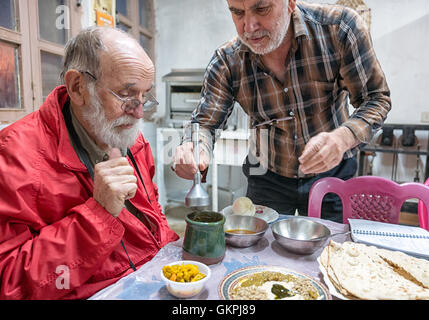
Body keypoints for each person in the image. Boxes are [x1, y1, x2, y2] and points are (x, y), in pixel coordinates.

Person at [0, 26, 178, 300]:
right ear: (77, 87)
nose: (139, 112)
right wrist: (98, 214)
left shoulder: (131, 137)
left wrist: (173, 259)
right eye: (127, 95)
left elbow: (153, 211)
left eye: (146, 96)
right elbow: (10, 283)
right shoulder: (15, 156)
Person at [172, 0, 391, 221]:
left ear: (290, 3)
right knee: (258, 252)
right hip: (266, 176)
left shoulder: (339, 28)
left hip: (332, 172)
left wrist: (343, 138)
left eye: (262, 9)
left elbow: (376, 98)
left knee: (331, 250)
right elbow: (205, 124)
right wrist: (194, 147)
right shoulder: (227, 61)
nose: (249, 27)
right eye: (237, 13)